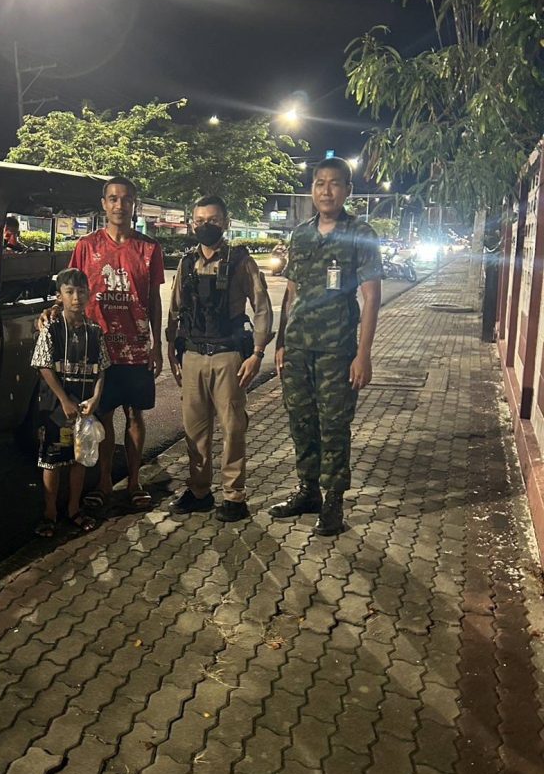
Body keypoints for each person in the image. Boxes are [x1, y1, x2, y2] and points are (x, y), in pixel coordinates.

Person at [269, 157, 382, 535]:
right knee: (301, 422)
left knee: (334, 426)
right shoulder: (301, 235)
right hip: (298, 348)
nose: (326, 190)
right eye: (320, 183)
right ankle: (308, 491)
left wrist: (363, 354)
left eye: (334, 183)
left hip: (337, 350)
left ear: (348, 190)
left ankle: (333, 500)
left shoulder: (360, 233)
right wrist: (281, 342)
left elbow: (371, 296)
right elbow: (291, 292)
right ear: (312, 189)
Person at [166, 196, 273, 522]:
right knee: (194, 432)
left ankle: (234, 496)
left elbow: (262, 307)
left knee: (233, 429)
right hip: (193, 356)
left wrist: (257, 354)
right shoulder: (187, 263)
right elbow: (175, 309)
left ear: (225, 222)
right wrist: (171, 348)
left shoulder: (240, 261)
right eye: (199, 220)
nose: (205, 226)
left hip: (229, 357)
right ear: (192, 224)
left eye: (212, 220)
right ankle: (199, 491)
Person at [68, 176, 165, 510]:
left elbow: (153, 300)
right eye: (113, 198)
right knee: (104, 417)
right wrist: (55, 314)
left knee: (136, 416)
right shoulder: (86, 246)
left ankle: (135, 481)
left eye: (126, 199)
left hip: (136, 348)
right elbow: (71, 292)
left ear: (134, 204)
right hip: (100, 349)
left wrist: (157, 344)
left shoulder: (149, 249)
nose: (119, 205)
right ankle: (105, 482)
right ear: (104, 204)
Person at [30, 268, 111, 536]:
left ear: (89, 294)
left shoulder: (95, 331)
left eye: (81, 291)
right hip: (55, 408)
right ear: (60, 296)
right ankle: (49, 514)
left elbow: (102, 369)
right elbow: (43, 365)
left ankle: (74, 509)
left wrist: (95, 398)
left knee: (79, 459)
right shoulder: (51, 328)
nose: (76, 297)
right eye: (69, 292)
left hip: (84, 408)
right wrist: (64, 399)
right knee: (51, 460)